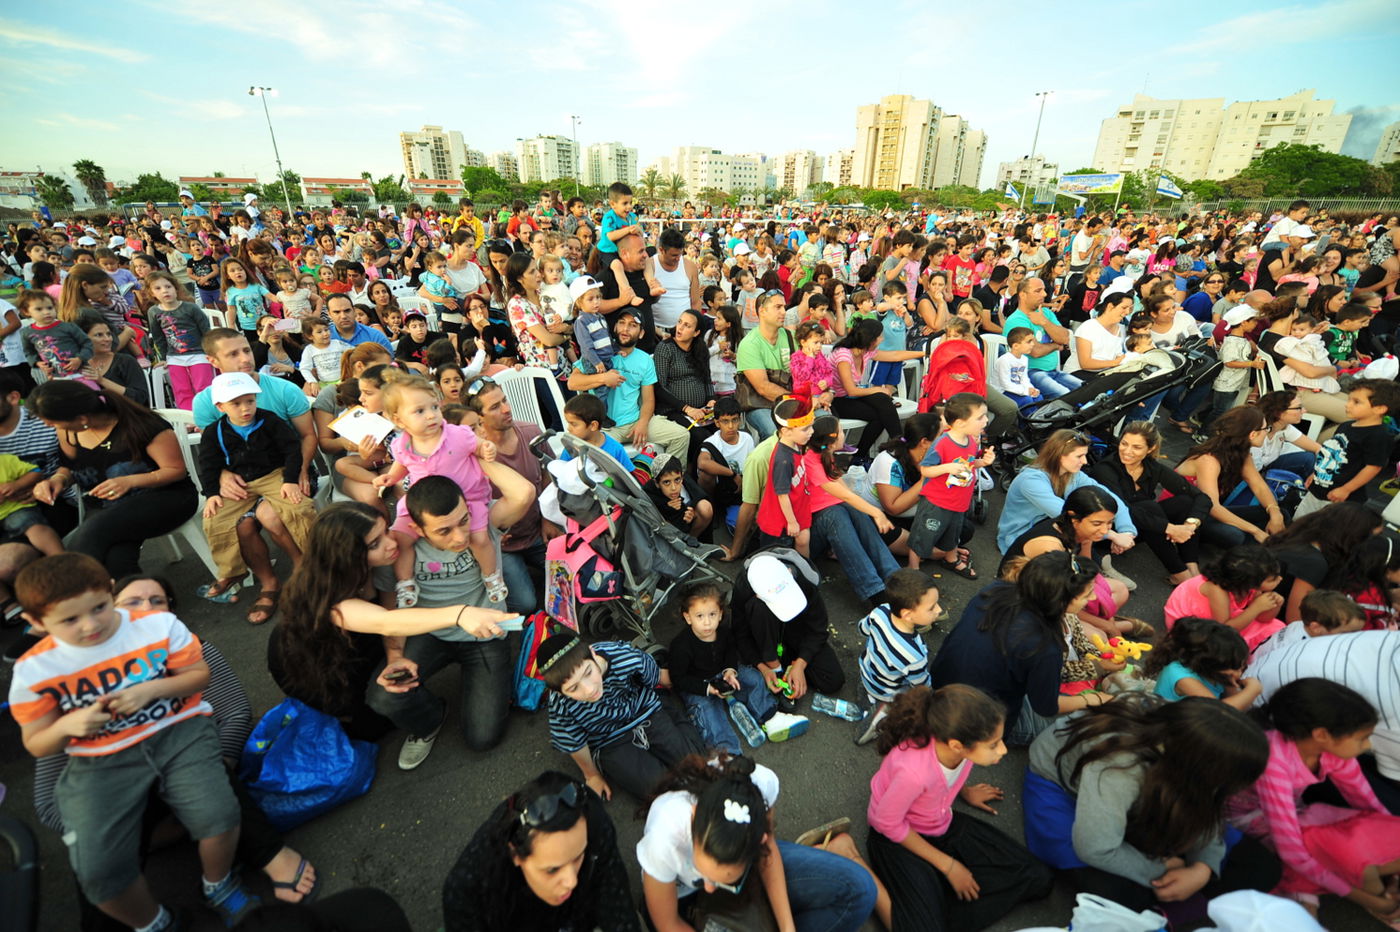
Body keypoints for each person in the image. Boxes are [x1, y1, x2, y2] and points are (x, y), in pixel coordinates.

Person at [7, 553, 259, 931]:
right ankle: (153, 923)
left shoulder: (158, 625)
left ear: (111, 592)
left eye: (99, 608)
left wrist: (153, 689)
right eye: (71, 619)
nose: (91, 626)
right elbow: (38, 744)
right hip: (101, 759)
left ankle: (218, 882)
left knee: (219, 816)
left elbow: (197, 676)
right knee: (98, 870)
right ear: (35, 623)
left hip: (178, 733)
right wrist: (69, 724)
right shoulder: (34, 671)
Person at [268, 502, 518, 742]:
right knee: (379, 713)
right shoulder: (328, 599)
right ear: (348, 555)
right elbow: (386, 621)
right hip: (334, 675)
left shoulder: (374, 564)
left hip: (373, 647)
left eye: (386, 530)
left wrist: (395, 654)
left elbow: (394, 610)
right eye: (375, 543)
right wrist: (461, 614)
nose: (391, 543)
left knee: (481, 736)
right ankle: (432, 717)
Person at [1024, 696, 1280, 912]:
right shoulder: (1119, 763)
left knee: (1261, 868)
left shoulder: (1189, 742)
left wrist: (1203, 868)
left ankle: (1173, 901)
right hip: (1060, 787)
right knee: (1125, 894)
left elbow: (1207, 806)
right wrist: (1159, 867)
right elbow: (1095, 848)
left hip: (1145, 785)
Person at [364, 476, 531, 770]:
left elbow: (523, 493)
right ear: (415, 528)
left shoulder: (482, 522)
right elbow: (391, 613)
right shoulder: (396, 549)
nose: (460, 536)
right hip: (429, 634)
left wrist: (471, 448)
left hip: (485, 635)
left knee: (483, 738)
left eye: (463, 520)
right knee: (383, 696)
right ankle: (431, 718)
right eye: (444, 531)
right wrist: (394, 657)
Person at [866, 685, 1054, 931]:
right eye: (994, 744)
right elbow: (884, 822)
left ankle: (930, 901)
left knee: (1039, 879)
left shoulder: (955, 748)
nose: (1003, 750)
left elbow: (946, 776)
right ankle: (852, 858)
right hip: (899, 839)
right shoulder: (913, 772)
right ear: (956, 745)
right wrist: (949, 865)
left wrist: (964, 791)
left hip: (940, 823)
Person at [638, 753, 878, 932]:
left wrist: (787, 928)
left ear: (757, 841)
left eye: (725, 881)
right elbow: (668, 923)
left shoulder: (758, 784)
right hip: (685, 899)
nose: (710, 887)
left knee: (862, 892)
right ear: (693, 817)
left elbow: (768, 851)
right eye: (702, 871)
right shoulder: (664, 839)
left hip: (749, 874)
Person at [1227, 678, 1400, 923]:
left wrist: (1387, 845)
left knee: (1369, 831)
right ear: (1321, 735)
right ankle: (1369, 894)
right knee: (1324, 851)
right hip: (1248, 822)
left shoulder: (1334, 753)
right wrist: (1364, 898)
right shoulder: (1273, 762)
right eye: (1362, 738)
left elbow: (1369, 805)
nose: (1368, 745)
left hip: (1299, 813)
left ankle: (1376, 884)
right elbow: (1292, 851)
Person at [928, 552, 1109, 746]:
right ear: (1061, 599)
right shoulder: (1045, 644)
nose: (1093, 597)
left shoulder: (996, 590)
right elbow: (1047, 707)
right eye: (1088, 593)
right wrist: (1094, 699)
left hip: (939, 692)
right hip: (978, 725)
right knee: (1086, 723)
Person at [29, 380, 197, 579]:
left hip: (164, 498)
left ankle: (70, 590)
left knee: (89, 534)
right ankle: (131, 605)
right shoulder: (67, 431)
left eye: (52, 421)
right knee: (116, 560)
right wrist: (58, 480)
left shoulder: (143, 425)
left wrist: (129, 481)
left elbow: (175, 470)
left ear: (82, 418)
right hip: (106, 505)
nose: (48, 425)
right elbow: (71, 467)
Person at [372, 372, 508, 607]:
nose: (431, 416)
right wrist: (390, 477)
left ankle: (491, 576)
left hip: (466, 500)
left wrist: (487, 449)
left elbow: (478, 446)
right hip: (422, 502)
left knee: (479, 538)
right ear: (399, 420)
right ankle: (405, 581)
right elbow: (402, 465)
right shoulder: (402, 444)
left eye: (434, 407)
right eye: (420, 411)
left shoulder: (457, 435)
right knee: (400, 537)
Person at [441, 771, 640, 932]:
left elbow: (616, 905)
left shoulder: (595, 825)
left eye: (579, 856)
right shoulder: (468, 892)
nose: (572, 881)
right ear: (515, 854)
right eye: (553, 870)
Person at [196, 372, 315, 624]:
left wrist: (291, 480)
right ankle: (232, 571)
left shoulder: (269, 421)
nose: (245, 408)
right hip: (240, 483)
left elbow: (292, 449)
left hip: (273, 475)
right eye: (236, 404)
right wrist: (211, 494)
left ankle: (316, 557)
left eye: (249, 401)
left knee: (299, 507)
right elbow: (208, 464)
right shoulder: (214, 432)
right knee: (214, 519)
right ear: (220, 407)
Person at [537, 632, 702, 801]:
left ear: (593, 653)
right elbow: (573, 742)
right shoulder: (559, 704)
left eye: (588, 673)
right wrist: (591, 775)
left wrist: (696, 681)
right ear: (558, 692)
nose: (589, 690)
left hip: (646, 710)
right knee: (660, 792)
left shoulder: (623, 657)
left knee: (697, 768)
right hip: (609, 739)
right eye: (573, 688)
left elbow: (656, 675)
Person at [667, 580, 807, 754]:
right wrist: (707, 688)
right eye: (699, 616)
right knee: (706, 711)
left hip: (723, 675)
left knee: (754, 679)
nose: (707, 623)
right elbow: (679, 679)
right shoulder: (680, 645)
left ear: (720, 614)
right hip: (697, 684)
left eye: (712, 614)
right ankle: (727, 753)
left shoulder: (724, 632)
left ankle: (770, 718)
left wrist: (730, 670)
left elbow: (730, 652)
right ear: (688, 617)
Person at [998, 487, 1146, 640]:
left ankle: (1105, 627)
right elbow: (1061, 602)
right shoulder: (1050, 547)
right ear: (1074, 519)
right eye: (1097, 523)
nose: (1104, 530)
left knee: (1120, 590)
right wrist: (1107, 625)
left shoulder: (1076, 529)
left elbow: (1086, 570)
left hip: (1058, 591)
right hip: (1024, 601)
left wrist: (1088, 541)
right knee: (1099, 636)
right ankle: (1111, 629)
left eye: (1110, 523)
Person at [465, 379, 553, 617]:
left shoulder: (531, 433)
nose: (506, 409)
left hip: (537, 531)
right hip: (502, 546)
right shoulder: (469, 456)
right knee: (525, 604)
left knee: (574, 576)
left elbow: (549, 474)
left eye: (504, 400)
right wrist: (489, 538)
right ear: (478, 418)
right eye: (494, 407)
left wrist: (549, 519)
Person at [1089, 421, 1211, 585]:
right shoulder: (1105, 469)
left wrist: (1190, 526)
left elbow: (1202, 498)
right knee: (1148, 507)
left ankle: (1191, 565)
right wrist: (1171, 528)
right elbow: (1122, 510)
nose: (1127, 451)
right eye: (1124, 444)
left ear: (1150, 449)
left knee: (1185, 502)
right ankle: (1181, 574)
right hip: (1111, 532)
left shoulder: (1152, 467)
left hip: (1142, 526)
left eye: (1137, 447)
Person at [566, 308, 691, 462]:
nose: (625, 329)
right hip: (605, 427)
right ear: (614, 327)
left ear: (641, 333)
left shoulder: (645, 360)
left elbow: (648, 400)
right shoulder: (599, 354)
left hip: (635, 422)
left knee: (681, 436)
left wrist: (642, 423)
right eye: (622, 323)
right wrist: (603, 378)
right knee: (595, 457)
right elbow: (572, 383)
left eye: (632, 325)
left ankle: (665, 480)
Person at [997, 428, 1136, 555]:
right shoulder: (1031, 480)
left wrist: (1127, 531)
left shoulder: (1074, 476)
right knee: (1084, 532)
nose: (1085, 461)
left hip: (1052, 529)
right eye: (1079, 456)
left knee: (1089, 531)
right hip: (1019, 538)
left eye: (1085, 455)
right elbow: (1067, 517)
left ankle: (1095, 569)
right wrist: (1114, 536)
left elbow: (1110, 498)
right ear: (1059, 455)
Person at [732, 550, 847, 701]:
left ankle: (787, 665)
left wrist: (800, 663)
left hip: (797, 633)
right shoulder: (744, 588)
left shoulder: (805, 579)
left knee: (832, 680)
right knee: (757, 609)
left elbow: (818, 630)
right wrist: (764, 667)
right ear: (757, 594)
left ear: (789, 573)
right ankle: (775, 665)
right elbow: (740, 635)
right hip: (763, 635)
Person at [909, 393, 994, 580]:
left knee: (953, 534)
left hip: (959, 501)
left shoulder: (971, 440)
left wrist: (983, 462)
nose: (986, 420)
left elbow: (969, 463)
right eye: (980, 417)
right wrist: (947, 467)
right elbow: (925, 470)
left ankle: (951, 558)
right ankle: (913, 569)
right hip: (936, 503)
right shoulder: (943, 443)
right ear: (960, 423)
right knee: (922, 536)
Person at [1175, 406, 1287, 547]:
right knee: (1234, 535)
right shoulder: (1209, 460)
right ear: (1252, 434)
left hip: (1207, 512)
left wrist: (1275, 513)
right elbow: (1212, 506)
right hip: (1186, 515)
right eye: (1266, 429)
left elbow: (1259, 487)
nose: (1267, 432)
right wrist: (1255, 531)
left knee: (1280, 514)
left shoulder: (1242, 455)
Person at [855, 569, 941, 745]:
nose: (939, 610)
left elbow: (862, 628)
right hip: (887, 691)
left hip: (867, 671)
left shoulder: (881, 611)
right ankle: (882, 717)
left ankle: (867, 696)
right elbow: (921, 686)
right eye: (932, 607)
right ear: (907, 615)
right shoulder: (914, 656)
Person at [1294, 379, 1396, 518]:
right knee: (1299, 524)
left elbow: (1373, 467)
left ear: (1380, 408)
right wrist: (1316, 474)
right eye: (1349, 400)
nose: (1348, 405)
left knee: (1326, 534)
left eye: (1356, 402)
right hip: (1317, 489)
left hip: (1341, 499)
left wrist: (1346, 489)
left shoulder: (1378, 435)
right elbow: (1329, 453)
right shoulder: (1345, 426)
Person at [1266, 502, 1384, 623]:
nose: (1376, 544)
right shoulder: (1314, 562)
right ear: (1353, 534)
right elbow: (1295, 619)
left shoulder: (1296, 539)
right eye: (1373, 538)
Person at [1163, 545, 1285, 650]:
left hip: (1223, 619)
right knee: (1226, 647)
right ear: (1249, 581)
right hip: (1191, 626)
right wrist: (1256, 608)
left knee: (1276, 627)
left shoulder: (1251, 587)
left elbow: (1262, 619)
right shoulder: (1217, 590)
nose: (1280, 579)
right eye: (1272, 579)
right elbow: (1224, 629)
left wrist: (1275, 604)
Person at [1143, 617, 1259, 708]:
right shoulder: (1182, 677)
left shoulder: (1214, 672)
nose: (1238, 673)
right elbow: (1220, 712)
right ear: (1208, 662)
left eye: (1240, 667)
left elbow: (1234, 705)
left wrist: (1231, 685)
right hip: (1159, 722)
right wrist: (1252, 690)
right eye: (1234, 667)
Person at [1002, 277, 1081, 399]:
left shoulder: (1045, 313)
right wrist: (1055, 345)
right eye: (1038, 291)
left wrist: (1044, 321)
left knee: (1085, 389)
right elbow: (1035, 351)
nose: (1044, 294)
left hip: (1053, 371)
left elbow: (1065, 338)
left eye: (1044, 290)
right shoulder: (1017, 320)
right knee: (1066, 396)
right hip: (1029, 372)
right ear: (1023, 295)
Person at [145, 271, 213, 408]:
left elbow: (206, 330)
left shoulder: (190, 308)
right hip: (174, 357)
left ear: (175, 288)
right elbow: (159, 337)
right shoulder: (153, 312)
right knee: (181, 390)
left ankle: (207, 413)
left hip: (199, 354)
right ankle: (188, 417)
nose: (165, 291)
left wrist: (210, 352)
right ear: (152, 293)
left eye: (168, 286)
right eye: (158, 288)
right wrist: (163, 357)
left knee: (204, 387)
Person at [736, 287, 796, 439]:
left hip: (791, 398)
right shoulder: (749, 343)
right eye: (778, 307)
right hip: (760, 404)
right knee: (774, 432)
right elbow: (763, 388)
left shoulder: (790, 336)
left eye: (784, 307)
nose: (784, 312)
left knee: (824, 422)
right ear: (762, 311)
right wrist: (798, 401)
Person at [19, 288, 93, 377]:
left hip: (82, 374)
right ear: (26, 311)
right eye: (39, 309)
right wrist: (37, 363)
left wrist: (80, 359)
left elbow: (88, 343)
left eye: (50, 308)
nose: (46, 312)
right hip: (56, 377)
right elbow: (29, 352)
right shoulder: (26, 333)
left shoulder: (68, 327)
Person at [76, 317, 149, 406]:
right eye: (99, 335)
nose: (108, 339)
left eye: (109, 334)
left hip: (126, 415)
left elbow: (139, 398)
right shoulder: (78, 365)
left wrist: (101, 380)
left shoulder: (126, 361)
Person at [995, 326, 1041, 407]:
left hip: (1017, 389)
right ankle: (1027, 419)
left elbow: (1024, 378)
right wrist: (1025, 391)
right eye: (1029, 342)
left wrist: (1031, 389)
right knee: (1027, 400)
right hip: (1002, 392)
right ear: (1015, 346)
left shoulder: (1024, 359)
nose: (1033, 344)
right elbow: (1005, 384)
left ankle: (1036, 417)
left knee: (1038, 398)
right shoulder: (1004, 360)